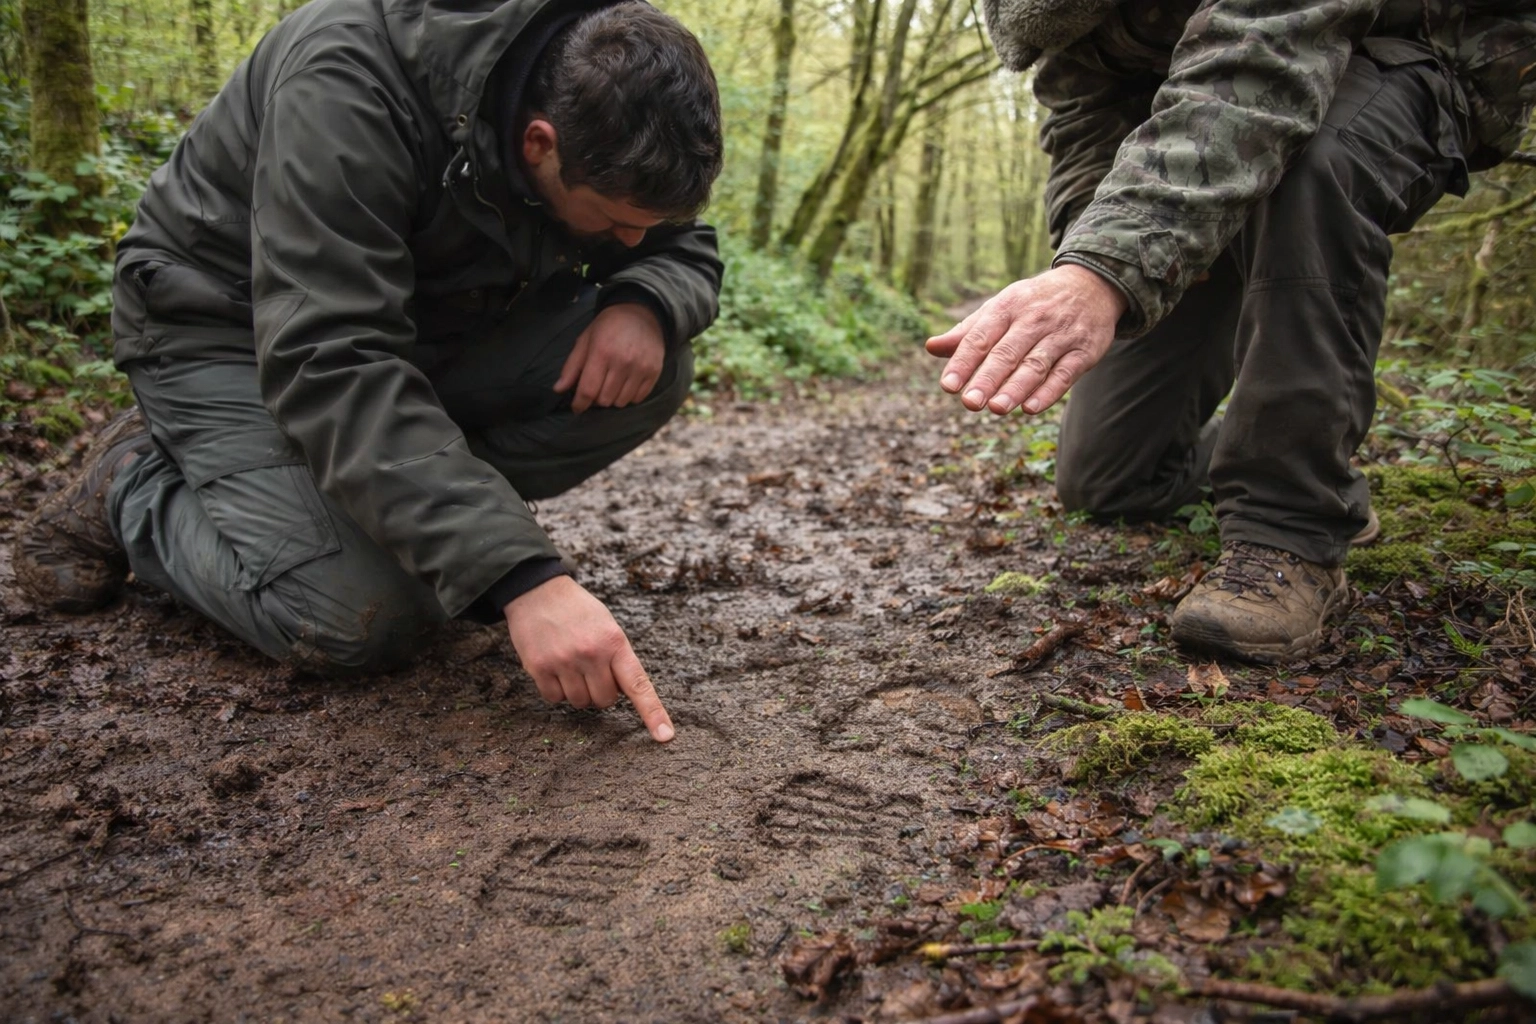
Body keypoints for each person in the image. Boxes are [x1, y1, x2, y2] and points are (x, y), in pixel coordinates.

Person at [14, 0, 727, 742]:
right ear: (539, 143)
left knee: (656, 367)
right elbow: (333, 354)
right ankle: (140, 480)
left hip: (413, 330)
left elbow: (675, 240)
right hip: (232, 330)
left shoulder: (597, 91)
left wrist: (647, 300)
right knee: (361, 620)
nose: (634, 239)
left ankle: (381, 507)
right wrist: (521, 578)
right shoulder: (346, 82)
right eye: (615, 223)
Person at [930, 0, 1536, 662]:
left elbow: (1264, 62)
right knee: (1108, 480)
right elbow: (1085, 123)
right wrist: (1101, 255)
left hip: (1420, 50)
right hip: (1199, 129)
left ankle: (1291, 531)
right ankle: (1272, 440)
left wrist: (1105, 268)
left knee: (1313, 160)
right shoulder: (1045, 19)